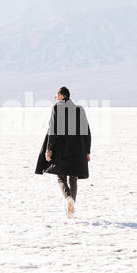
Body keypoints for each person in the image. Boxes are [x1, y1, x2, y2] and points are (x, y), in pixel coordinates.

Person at [33, 86, 91, 215]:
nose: (56, 99)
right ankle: (72, 206)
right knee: (73, 178)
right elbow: (86, 131)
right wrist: (87, 151)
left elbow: (53, 130)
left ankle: (68, 198)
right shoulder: (79, 109)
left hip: (61, 149)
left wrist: (49, 150)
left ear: (61, 96)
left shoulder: (57, 107)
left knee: (61, 177)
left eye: (56, 96)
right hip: (78, 149)